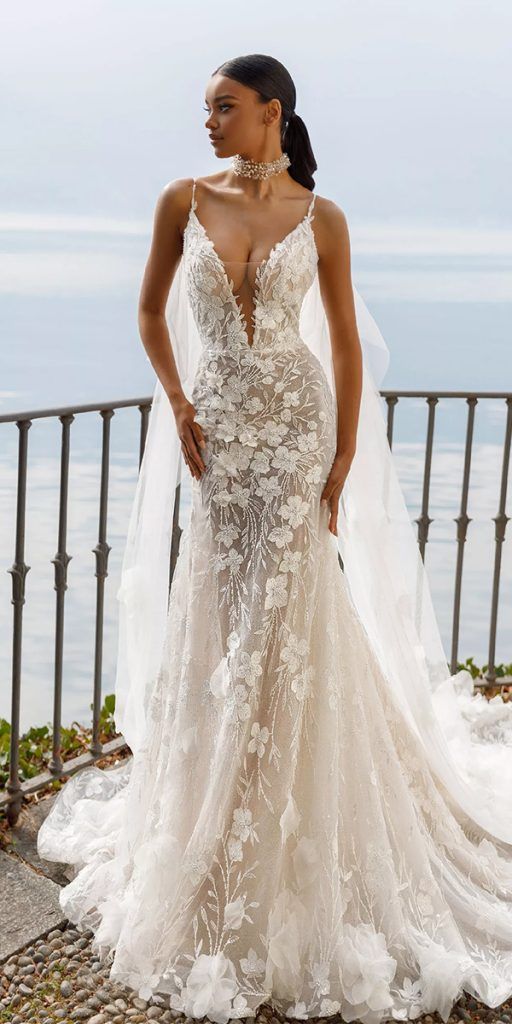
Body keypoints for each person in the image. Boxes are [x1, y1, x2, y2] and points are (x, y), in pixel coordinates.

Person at [38, 53, 512, 1024]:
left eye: (222, 106)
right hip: (219, 427)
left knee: (289, 615)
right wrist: (175, 403)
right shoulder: (182, 199)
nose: (206, 120)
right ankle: (217, 797)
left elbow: (341, 341)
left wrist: (340, 459)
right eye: (203, 107)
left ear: (270, 113)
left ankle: (293, 797)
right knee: (223, 612)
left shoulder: (322, 218)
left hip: (295, 431)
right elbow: (145, 312)